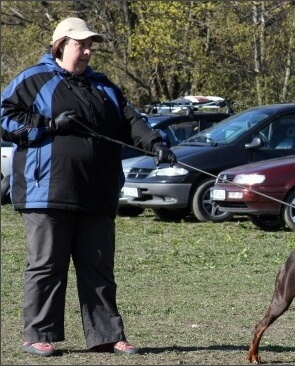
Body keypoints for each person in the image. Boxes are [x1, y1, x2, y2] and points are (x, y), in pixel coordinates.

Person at [1, 17, 176, 357]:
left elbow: (131, 121)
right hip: (46, 191)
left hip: (97, 191)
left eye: (89, 45)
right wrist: (49, 125)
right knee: (47, 265)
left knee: (99, 267)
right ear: (61, 45)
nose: (87, 51)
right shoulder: (33, 79)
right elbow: (5, 118)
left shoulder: (104, 86)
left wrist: (156, 143)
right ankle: (38, 335)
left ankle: (107, 336)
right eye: (81, 44)